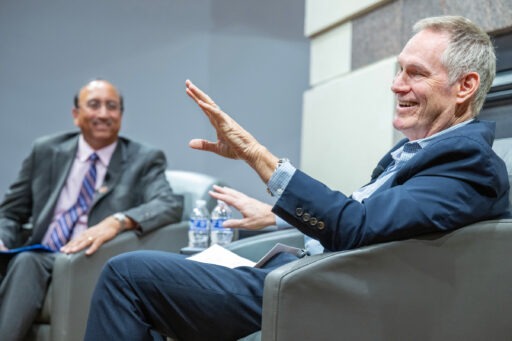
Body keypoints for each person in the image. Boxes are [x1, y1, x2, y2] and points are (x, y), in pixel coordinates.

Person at [84, 16, 510, 340]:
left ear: (464, 86)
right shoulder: (422, 152)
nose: (396, 85)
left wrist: (256, 155)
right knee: (162, 288)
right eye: (398, 70)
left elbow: (356, 227)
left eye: (415, 73)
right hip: (303, 276)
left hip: (317, 293)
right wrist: (276, 216)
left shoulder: (467, 166)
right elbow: (373, 218)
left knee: (127, 275)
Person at [0, 79, 183, 340]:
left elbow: (168, 204)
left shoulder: (144, 158)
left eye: (112, 107)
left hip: (90, 257)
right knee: (25, 260)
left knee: (27, 263)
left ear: (121, 115)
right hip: (41, 249)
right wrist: (3, 238)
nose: (104, 114)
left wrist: (118, 221)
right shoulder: (46, 150)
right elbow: (10, 211)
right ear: (76, 115)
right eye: (94, 105)